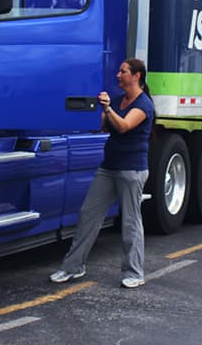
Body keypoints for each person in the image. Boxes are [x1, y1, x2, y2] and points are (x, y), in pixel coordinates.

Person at [50, 58, 154, 289]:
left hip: (132, 170)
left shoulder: (144, 105)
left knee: (130, 222)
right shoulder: (119, 100)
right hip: (109, 167)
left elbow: (125, 126)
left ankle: (134, 272)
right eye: (119, 71)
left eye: (123, 71)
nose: (118, 75)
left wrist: (108, 109)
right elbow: (105, 127)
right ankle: (73, 267)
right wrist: (102, 110)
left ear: (136, 76)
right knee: (88, 214)